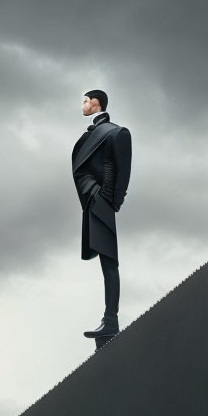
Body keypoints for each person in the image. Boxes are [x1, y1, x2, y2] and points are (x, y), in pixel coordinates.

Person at [71, 89, 132, 347]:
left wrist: (109, 199)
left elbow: (124, 170)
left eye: (85, 100)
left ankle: (111, 319)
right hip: (94, 200)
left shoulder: (116, 132)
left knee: (109, 261)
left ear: (96, 103)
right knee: (107, 262)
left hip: (101, 200)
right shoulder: (93, 133)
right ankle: (109, 320)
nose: (82, 105)